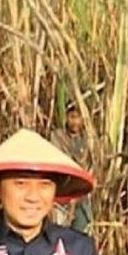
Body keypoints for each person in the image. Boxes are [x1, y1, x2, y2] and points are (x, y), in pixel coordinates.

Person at [49, 99, 95, 233]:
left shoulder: (87, 140)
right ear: (66, 117)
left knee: (82, 234)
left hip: (81, 196)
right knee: (59, 235)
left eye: (78, 117)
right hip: (63, 195)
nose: (75, 121)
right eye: (72, 117)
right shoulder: (58, 137)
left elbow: (91, 164)